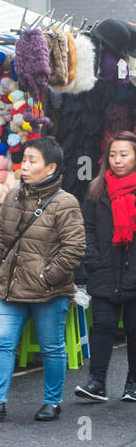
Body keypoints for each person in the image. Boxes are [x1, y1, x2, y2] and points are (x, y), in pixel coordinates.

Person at [0, 136, 86, 421]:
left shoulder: (65, 203)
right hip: (12, 286)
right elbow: (0, 239)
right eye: (24, 160)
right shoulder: (14, 196)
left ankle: (52, 402)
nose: (25, 166)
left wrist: (47, 276)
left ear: (51, 167)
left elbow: (74, 248)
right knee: (2, 341)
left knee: (51, 346)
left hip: (48, 291)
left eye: (32, 161)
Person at [76, 131, 136, 402]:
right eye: (113, 155)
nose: (117, 160)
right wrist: (92, 259)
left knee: (134, 330)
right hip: (104, 270)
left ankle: (133, 384)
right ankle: (96, 383)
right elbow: (86, 227)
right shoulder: (97, 190)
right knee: (102, 326)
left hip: (133, 270)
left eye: (124, 154)